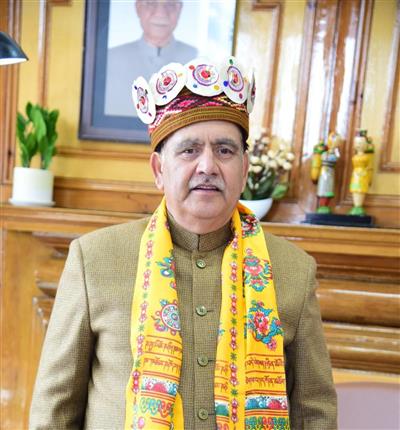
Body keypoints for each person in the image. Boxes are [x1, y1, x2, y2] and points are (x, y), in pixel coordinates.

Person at [30, 57, 337, 429]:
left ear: (244, 169)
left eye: (225, 151)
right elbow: (54, 409)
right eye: (189, 150)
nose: (207, 166)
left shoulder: (293, 270)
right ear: (159, 169)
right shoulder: (94, 259)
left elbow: (314, 412)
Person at [105, 0, 197, 117]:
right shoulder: (112, 59)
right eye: (151, 3)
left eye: (170, 4)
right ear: (138, 7)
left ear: (179, 9)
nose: (161, 13)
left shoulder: (197, 59)